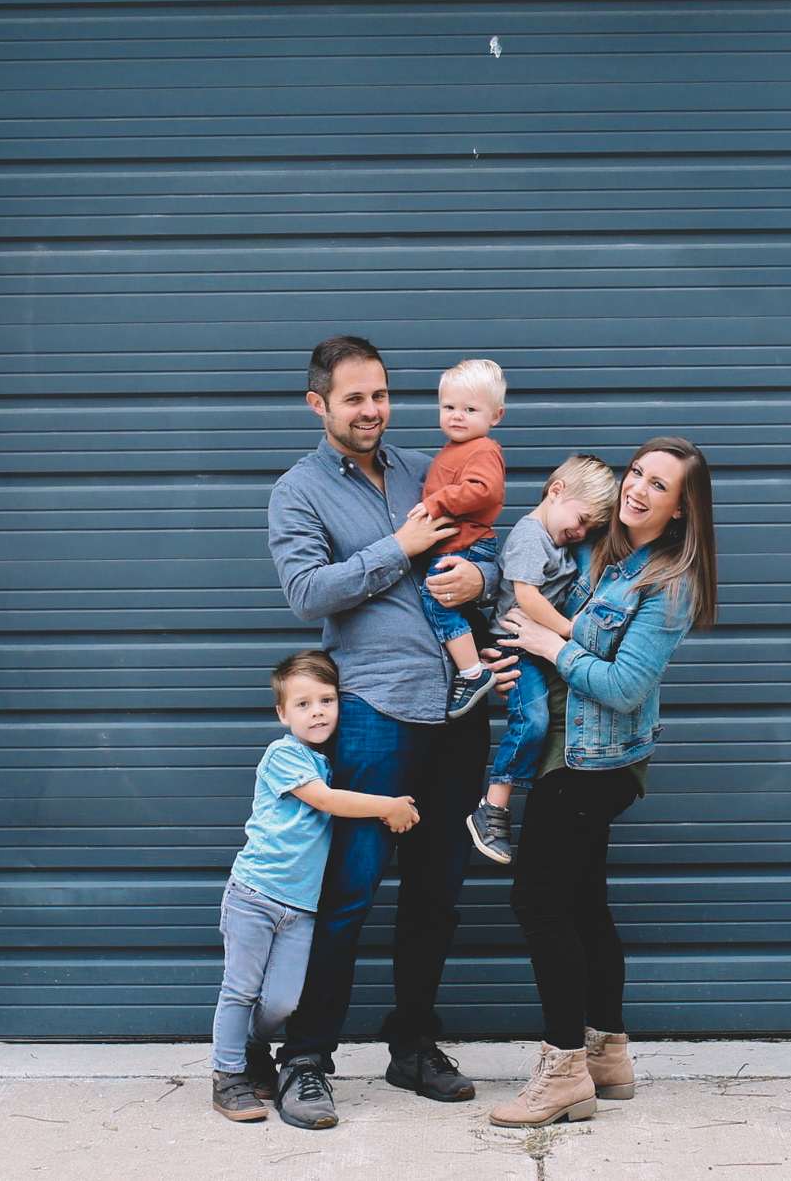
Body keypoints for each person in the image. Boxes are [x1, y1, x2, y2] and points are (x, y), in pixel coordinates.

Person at [263, 335, 515, 1130]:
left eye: (379, 394)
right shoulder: (296, 491)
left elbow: (490, 549)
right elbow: (307, 591)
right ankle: (305, 1058)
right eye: (353, 398)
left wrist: (485, 578)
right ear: (319, 405)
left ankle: (412, 1044)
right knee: (349, 890)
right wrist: (396, 547)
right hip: (372, 712)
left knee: (439, 892)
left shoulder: (426, 465)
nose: (371, 410)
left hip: (457, 708)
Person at [487, 437, 718, 1129]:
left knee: (538, 899)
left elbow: (622, 686)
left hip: (596, 760)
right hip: (565, 744)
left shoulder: (669, 583)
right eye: (637, 474)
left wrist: (549, 644)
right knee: (584, 902)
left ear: (681, 511)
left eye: (660, 485)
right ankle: (607, 1052)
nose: (639, 489)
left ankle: (562, 1072)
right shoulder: (596, 550)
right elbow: (520, 585)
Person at [211, 652, 420, 1123]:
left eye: (327, 700)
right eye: (303, 704)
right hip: (255, 894)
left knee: (284, 1000)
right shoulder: (284, 755)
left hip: (300, 907)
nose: (318, 711)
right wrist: (388, 805)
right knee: (240, 990)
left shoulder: (323, 762)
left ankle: (251, 1048)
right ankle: (227, 1076)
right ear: (283, 715)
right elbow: (326, 802)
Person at [467, 455, 618, 865]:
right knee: (531, 720)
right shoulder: (531, 536)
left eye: (590, 529)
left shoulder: (557, 540)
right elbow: (529, 597)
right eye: (582, 519)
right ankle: (493, 807)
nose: (581, 532)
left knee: (542, 721)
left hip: (533, 648)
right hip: (515, 648)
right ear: (556, 491)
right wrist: (570, 632)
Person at [416, 358, 510, 721]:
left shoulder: (484, 449)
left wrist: (435, 502)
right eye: (449, 407)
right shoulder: (452, 449)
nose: (457, 416)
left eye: (470, 409)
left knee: (437, 599)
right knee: (441, 599)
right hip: (458, 543)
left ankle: (473, 673)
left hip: (469, 543)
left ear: (495, 416)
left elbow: (484, 491)